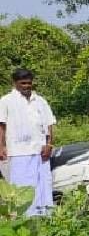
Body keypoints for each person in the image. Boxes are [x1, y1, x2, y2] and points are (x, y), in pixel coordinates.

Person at [0, 68, 57, 216]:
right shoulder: (6, 101)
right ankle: (25, 218)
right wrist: (1, 147)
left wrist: (49, 144)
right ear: (15, 83)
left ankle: (45, 216)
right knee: (22, 187)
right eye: (23, 83)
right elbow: (2, 126)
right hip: (18, 152)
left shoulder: (40, 101)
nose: (26, 86)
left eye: (29, 83)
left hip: (40, 151)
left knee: (43, 184)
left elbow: (50, 124)